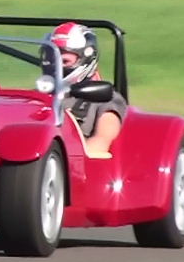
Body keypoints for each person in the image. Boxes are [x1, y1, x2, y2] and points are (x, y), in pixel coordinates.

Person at [47, 21, 126, 159]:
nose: (56, 66)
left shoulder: (106, 98)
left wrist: (67, 161)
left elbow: (101, 140)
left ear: (85, 59)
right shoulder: (39, 95)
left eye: (64, 61)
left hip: (76, 166)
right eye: (52, 59)